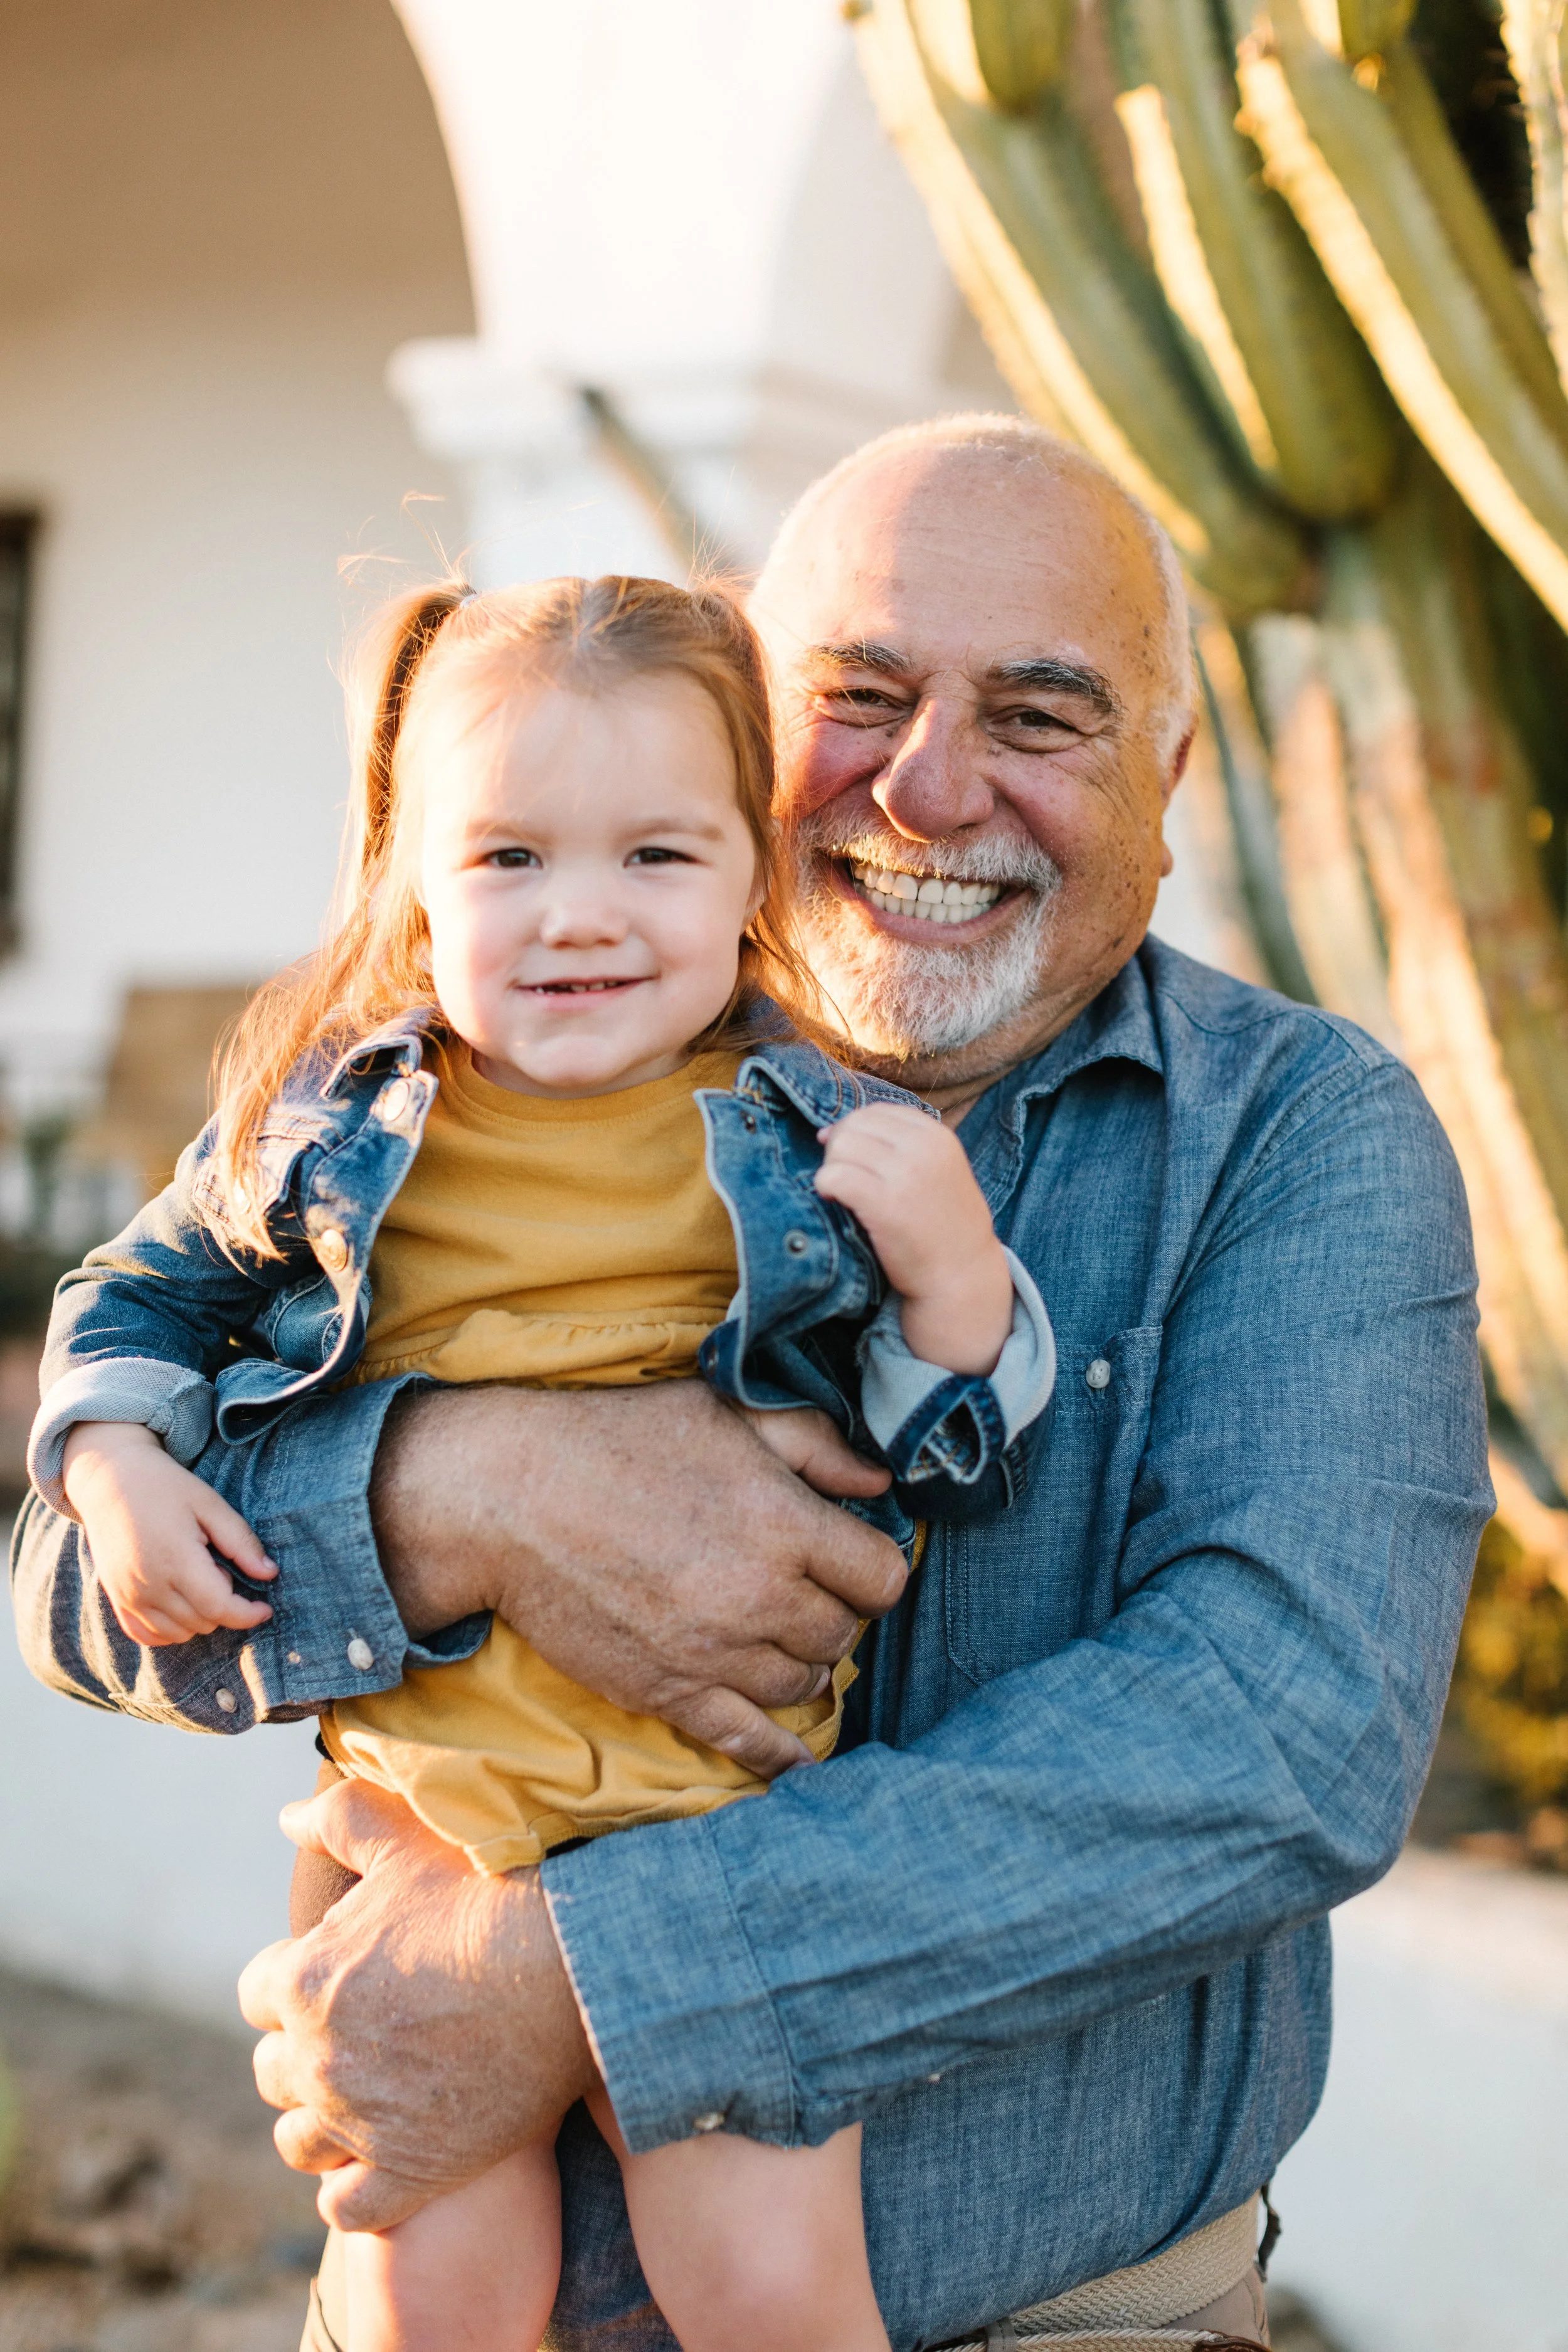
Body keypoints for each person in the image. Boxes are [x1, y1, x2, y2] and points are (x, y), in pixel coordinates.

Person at [12, 415, 1493, 2352]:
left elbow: (1278, 1737)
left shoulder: (1298, 1135)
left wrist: (570, 1975)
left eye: (1036, 718)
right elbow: (69, 1587)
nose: (930, 784)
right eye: (855, 697)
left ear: (1169, 772)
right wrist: (450, 1487)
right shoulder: (442, 1089)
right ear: (741, 723)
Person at [24, 572, 1052, 2352]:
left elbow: (920, 1470)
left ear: (753, 878)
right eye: (507, 858)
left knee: (772, 2292)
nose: (578, 917)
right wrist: (115, 1453)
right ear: (414, 881)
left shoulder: (814, 1137)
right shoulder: (334, 1126)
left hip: (718, 1844)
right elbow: (144, 1289)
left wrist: (958, 1294)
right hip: (424, 1835)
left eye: (654, 856)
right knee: (435, 2299)